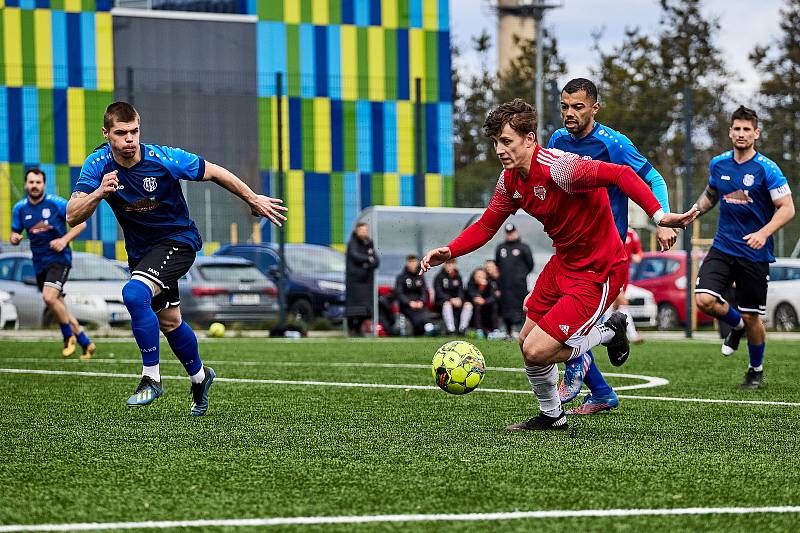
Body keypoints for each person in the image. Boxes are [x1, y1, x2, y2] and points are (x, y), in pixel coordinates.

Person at [421, 99, 696, 431]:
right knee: (526, 342)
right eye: (495, 142)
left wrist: (660, 216)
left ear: (530, 139)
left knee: (538, 350)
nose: (499, 150)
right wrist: (450, 251)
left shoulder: (561, 169)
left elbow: (622, 174)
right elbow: (486, 226)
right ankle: (552, 415)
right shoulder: (509, 181)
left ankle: (608, 333)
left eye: (506, 141)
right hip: (564, 262)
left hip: (600, 268)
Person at [66, 102, 287, 415]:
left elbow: (214, 171)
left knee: (133, 293)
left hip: (178, 242)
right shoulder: (98, 164)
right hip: (144, 254)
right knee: (170, 322)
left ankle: (151, 378)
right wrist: (98, 193)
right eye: (121, 133)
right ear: (106, 134)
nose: (129, 139)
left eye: (134, 131)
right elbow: (72, 216)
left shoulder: (164, 158)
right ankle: (200, 377)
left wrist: (252, 199)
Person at [548, 78, 676, 415]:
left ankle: (590, 355)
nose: (569, 113)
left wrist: (660, 220)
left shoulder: (613, 144)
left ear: (594, 108)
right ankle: (603, 384)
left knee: (565, 324)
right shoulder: (557, 141)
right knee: (545, 316)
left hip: (607, 249)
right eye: (564, 106)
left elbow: (654, 179)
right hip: (572, 247)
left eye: (577, 106)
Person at [693, 105, 795, 390]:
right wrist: (693, 212)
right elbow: (711, 194)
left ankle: (755, 369)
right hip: (724, 246)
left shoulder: (767, 169)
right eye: (736, 128)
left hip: (755, 252)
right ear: (730, 132)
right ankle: (735, 326)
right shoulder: (719, 164)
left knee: (753, 317)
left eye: (746, 129)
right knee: (704, 299)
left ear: (756, 133)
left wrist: (764, 233)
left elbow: (787, 209)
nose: (741, 133)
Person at [10, 168, 96, 359]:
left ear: (44, 184)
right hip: (39, 263)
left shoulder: (56, 203)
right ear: (25, 185)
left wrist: (64, 240)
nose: (34, 186)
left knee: (49, 298)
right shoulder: (20, 208)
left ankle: (67, 336)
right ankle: (85, 342)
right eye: (31, 182)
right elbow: (14, 234)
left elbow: (81, 224)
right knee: (59, 305)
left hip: (59, 260)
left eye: (38, 182)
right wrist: (15, 238)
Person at [494, 223, 534, 336]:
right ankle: (507, 331)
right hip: (505, 285)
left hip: (519, 285)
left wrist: (520, 276)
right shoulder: (501, 248)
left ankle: (519, 330)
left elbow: (530, 264)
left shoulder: (524, 247)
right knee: (506, 306)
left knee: (520, 306)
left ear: (516, 232)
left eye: (511, 233)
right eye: (508, 233)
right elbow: (497, 265)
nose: (510, 235)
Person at [345, 223, 379, 336]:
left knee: (365, 309)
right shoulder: (352, 243)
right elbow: (355, 256)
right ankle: (351, 329)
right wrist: (368, 260)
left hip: (366, 282)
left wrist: (370, 261)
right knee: (353, 308)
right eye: (362, 230)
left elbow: (376, 260)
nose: (364, 232)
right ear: (357, 231)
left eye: (366, 230)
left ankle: (358, 328)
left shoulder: (369, 243)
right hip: (354, 282)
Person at [433, 258, 472, 335]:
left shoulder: (458, 276)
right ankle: (451, 330)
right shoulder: (439, 277)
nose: (449, 266)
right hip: (442, 302)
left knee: (468, 305)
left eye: (451, 264)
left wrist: (460, 299)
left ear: (455, 265)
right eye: (448, 264)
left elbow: (461, 291)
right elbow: (439, 292)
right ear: (444, 264)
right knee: (447, 305)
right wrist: (450, 299)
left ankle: (462, 329)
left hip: (457, 301)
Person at [394, 254, 431, 336]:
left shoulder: (420, 277)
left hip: (419, 305)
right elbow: (399, 293)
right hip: (407, 306)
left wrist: (421, 301)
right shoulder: (401, 277)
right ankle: (424, 330)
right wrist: (409, 303)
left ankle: (427, 329)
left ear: (417, 263)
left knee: (424, 315)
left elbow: (424, 292)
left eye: (414, 262)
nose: (412, 264)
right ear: (407, 263)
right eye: (410, 262)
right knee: (417, 317)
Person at [466, 267, 498, 335]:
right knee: (478, 306)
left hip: (487, 304)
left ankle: (495, 329)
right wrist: (480, 288)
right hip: (475, 305)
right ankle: (479, 329)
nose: (479, 277)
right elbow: (470, 294)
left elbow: (493, 297)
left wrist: (485, 301)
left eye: (481, 275)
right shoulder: (471, 283)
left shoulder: (489, 283)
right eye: (478, 275)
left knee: (494, 305)